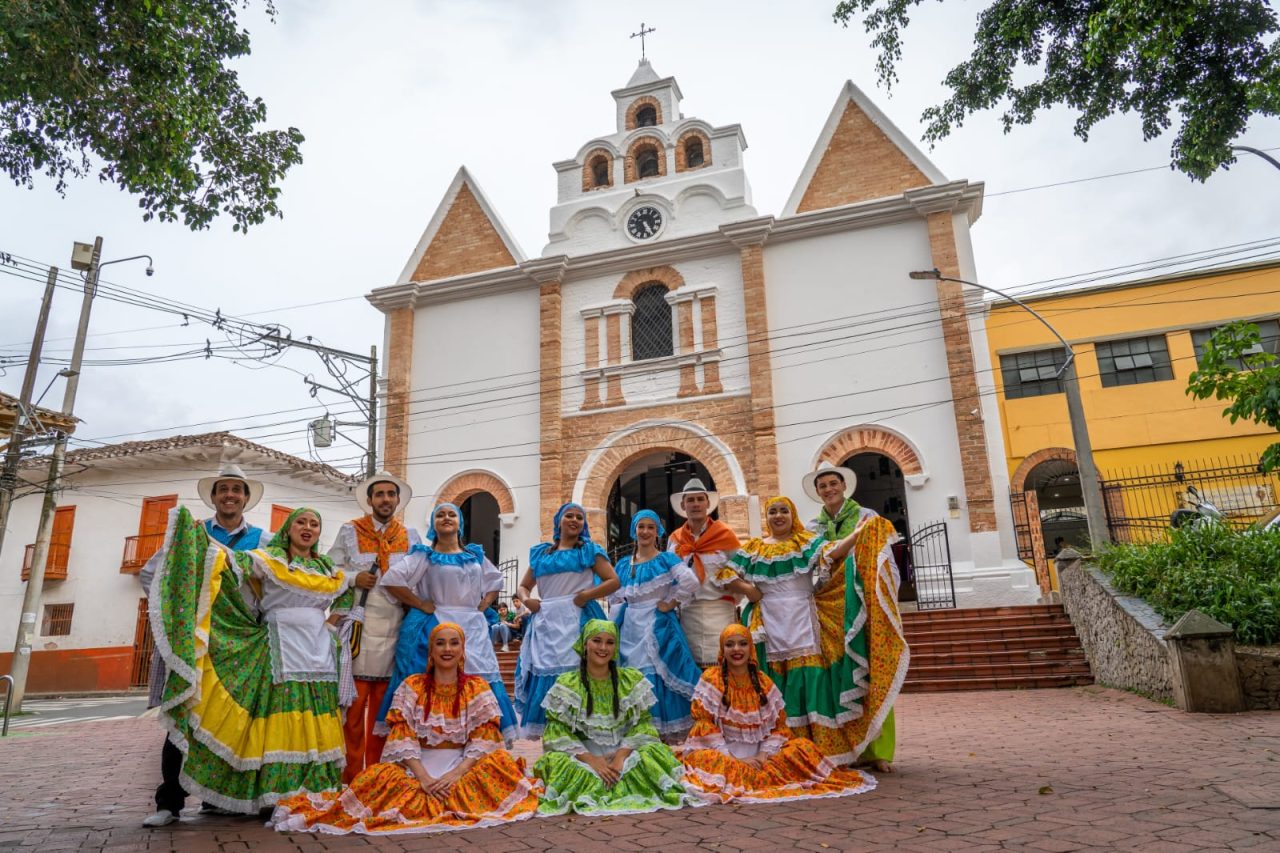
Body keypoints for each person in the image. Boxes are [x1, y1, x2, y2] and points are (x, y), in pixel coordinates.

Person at [151, 505, 351, 814]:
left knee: (316, 717)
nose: (308, 527)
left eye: (314, 523)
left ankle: (314, 789)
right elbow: (229, 561)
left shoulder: (327, 568)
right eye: (301, 522)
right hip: (278, 648)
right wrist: (198, 538)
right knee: (281, 721)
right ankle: (277, 794)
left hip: (319, 652)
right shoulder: (269, 558)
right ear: (288, 528)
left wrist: (331, 626)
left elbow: (347, 593)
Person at [269, 622, 541, 835]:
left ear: (462, 650)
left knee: (498, 768)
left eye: (454, 643)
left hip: (462, 765)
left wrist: (456, 775)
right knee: (381, 782)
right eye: (440, 643)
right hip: (417, 765)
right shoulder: (412, 686)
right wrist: (423, 778)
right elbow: (402, 735)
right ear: (431, 651)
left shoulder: (477, 688)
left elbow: (484, 737)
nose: (447, 649)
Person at [139, 462, 267, 828]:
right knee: (183, 718)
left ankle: (217, 798)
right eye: (223, 489)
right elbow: (153, 574)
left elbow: (276, 585)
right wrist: (178, 615)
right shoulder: (191, 535)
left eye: (236, 490)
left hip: (241, 648)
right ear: (213, 497)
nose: (230, 495)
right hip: (197, 642)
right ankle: (169, 803)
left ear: (246, 499)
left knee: (233, 723)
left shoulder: (264, 540)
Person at [678, 624, 876, 804]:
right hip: (725, 755)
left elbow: (778, 727)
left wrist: (763, 755)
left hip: (762, 757)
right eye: (730, 645)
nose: (737, 649)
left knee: (803, 747)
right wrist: (734, 760)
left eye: (742, 644)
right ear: (723, 649)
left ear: (751, 648)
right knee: (708, 762)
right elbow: (704, 726)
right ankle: (737, 770)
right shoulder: (711, 679)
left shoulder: (763, 681)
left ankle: (753, 771)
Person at [378, 503, 518, 743]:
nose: (446, 518)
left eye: (451, 514)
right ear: (433, 523)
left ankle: (480, 737)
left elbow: (495, 580)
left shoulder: (474, 555)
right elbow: (391, 579)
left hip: (472, 626)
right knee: (438, 679)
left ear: (460, 521)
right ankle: (436, 736)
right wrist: (420, 604)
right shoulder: (424, 555)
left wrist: (483, 606)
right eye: (440, 514)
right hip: (438, 623)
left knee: (479, 677)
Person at [802, 461, 909, 773]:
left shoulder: (868, 517)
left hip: (863, 603)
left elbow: (883, 559)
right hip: (830, 609)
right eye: (823, 486)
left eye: (833, 483)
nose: (829, 490)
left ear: (843, 486)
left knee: (871, 672)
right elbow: (812, 566)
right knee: (839, 676)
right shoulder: (813, 527)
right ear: (818, 492)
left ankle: (879, 751)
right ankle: (848, 749)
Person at [533, 620, 698, 816]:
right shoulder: (567, 684)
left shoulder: (630, 680)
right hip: (585, 755)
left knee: (653, 752)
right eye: (597, 640)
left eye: (610, 642)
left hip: (623, 752)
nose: (603, 647)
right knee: (558, 761)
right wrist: (593, 761)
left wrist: (620, 757)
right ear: (585, 644)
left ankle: (619, 777)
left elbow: (642, 725)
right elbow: (556, 732)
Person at [327, 471, 421, 784]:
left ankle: (380, 777)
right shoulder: (349, 531)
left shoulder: (411, 536)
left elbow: (420, 578)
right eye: (378, 494)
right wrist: (354, 579)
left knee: (385, 710)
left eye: (390, 494)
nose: (384, 500)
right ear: (369, 500)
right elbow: (329, 570)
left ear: (397, 500)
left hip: (396, 627)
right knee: (353, 711)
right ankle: (351, 777)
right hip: (359, 625)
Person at [512, 502, 620, 737]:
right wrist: (526, 599)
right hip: (547, 621)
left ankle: (585, 735)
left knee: (580, 671)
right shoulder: (541, 553)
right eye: (569, 516)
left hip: (578, 617)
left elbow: (613, 580)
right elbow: (523, 586)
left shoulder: (589, 551)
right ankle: (555, 738)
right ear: (558, 521)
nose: (574, 520)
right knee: (547, 670)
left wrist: (587, 595)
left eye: (579, 518)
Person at [610, 509, 703, 739]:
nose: (645, 531)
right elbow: (613, 594)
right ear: (634, 531)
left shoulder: (665, 559)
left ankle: (660, 734)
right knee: (632, 672)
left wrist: (671, 602)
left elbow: (691, 581)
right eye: (641, 527)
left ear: (657, 531)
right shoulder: (623, 564)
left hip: (657, 624)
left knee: (659, 672)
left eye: (650, 527)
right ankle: (637, 732)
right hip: (630, 625)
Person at [667, 478, 759, 667]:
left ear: (708, 503)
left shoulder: (725, 534)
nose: (695, 504)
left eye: (700, 499)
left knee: (723, 667)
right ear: (683, 505)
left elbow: (742, 570)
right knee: (692, 669)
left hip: (720, 611)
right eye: (690, 500)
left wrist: (739, 593)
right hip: (688, 614)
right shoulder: (675, 539)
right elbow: (670, 577)